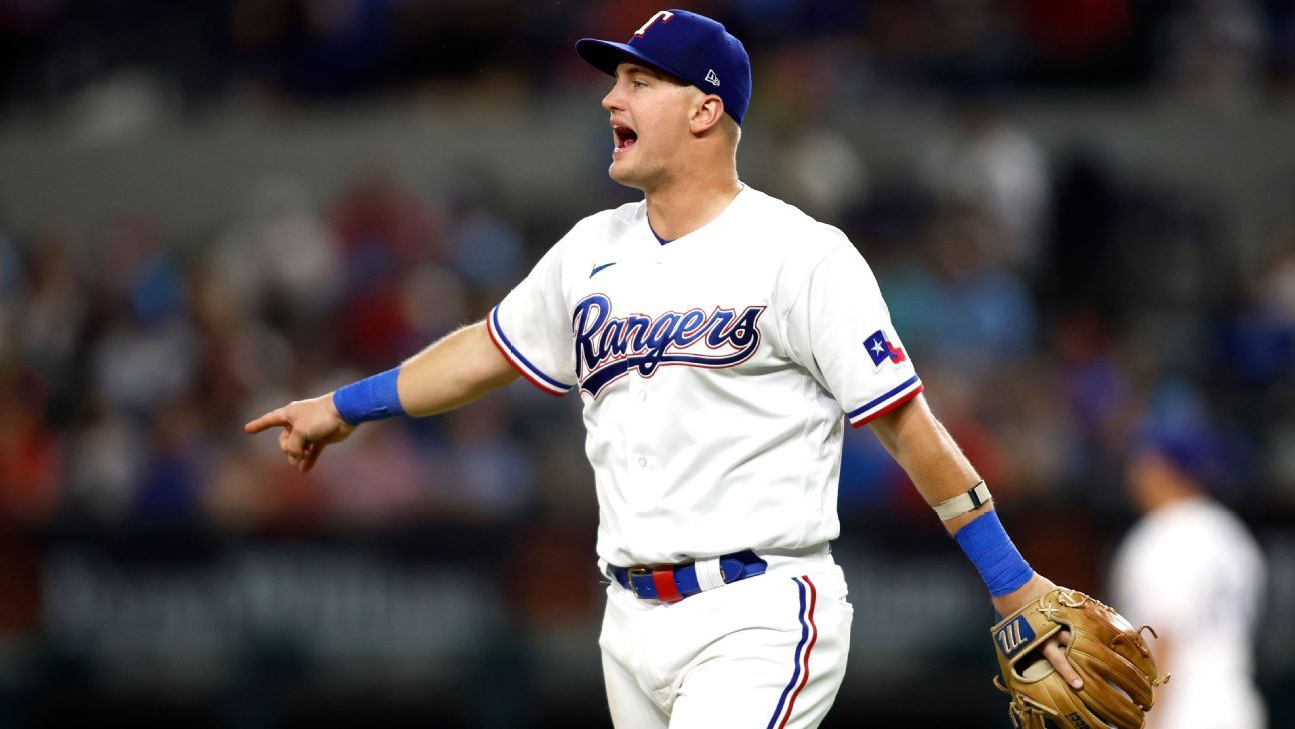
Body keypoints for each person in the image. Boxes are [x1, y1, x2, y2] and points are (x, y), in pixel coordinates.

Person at [245, 10, 1084, 727]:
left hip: (759, 608)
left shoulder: (801, 255)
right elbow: (485, 351)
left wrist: (1010, 582)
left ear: (705, 110)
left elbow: (906, 424)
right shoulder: (590, 251)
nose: (612, 96)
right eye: (616, 81)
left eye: (642, 81)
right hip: (629, 621)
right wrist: (345, 404)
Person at [1111, 404, 1267, 729]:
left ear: (1161, 467)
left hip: (1181, 714)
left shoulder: (1159, 537)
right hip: (1238, 707)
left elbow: (1160, 640)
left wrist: (1145, 722)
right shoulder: (1231, 533)